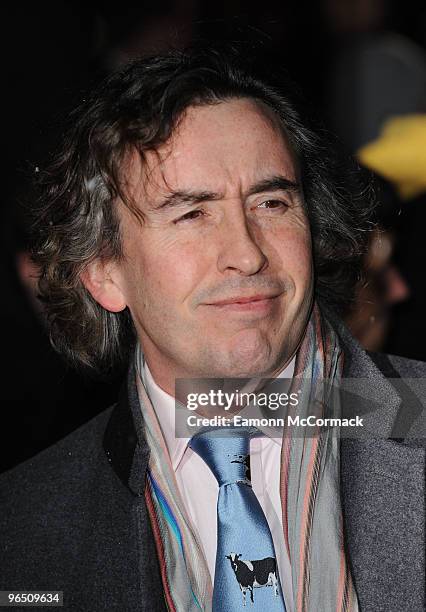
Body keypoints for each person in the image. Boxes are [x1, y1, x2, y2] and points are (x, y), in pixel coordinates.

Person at [0, 46, 425, 612]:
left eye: (271, 203)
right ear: (104, 272)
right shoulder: (23, 526)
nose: (246, 255)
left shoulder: (413, 418)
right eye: (192, 213)